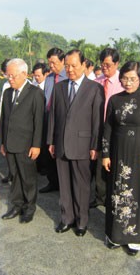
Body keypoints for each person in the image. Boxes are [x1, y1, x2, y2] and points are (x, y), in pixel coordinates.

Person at [102, 61, 140, 256]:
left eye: (132, 79)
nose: (128, 83)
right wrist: (105, 154)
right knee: (117, 193)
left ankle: (135, 240)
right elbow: (108, 128)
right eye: (125, 78)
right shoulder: (115, 100)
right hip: (118, 154)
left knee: (138, 194)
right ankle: (115, 237)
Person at [47, 49, 104, 236]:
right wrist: (51, 141)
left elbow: (97, 121)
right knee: (64, 185)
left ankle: (81, 221)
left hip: (83, 144)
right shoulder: (59, 87)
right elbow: (53, 117)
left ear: (84, 65)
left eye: (74, 65)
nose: (70, 69)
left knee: (81, 185)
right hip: (61, 143)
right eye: (68, 65)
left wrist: (95, 145)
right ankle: (67, 218)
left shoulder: (94, 88)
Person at [0, 58, 44, 223]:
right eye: (8, 76)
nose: (10, 79)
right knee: (14, 176)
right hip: (10, 143)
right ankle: (16, 205)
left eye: (13, 76)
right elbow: (4, 118)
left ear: (24, 74)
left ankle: (29, 207)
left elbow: (39, 121)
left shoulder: (35, 93)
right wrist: (3, 142)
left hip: (26, 144)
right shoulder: (7, 92)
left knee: (28, 178)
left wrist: (36, 145)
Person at [91, 48, 125, 208]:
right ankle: (100, 196)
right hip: (99, 128)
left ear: (117, 63)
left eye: (108, 64)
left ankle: (115, 196)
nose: (104, 67)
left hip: (117, 129)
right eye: (102, 64)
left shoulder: (123, 82)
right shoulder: (96, 83)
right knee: (99, 165)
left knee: (116, 163)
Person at [40, 48, 67, 193]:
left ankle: (63, 184)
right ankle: (52, 182)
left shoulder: (68, 77)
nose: (51, 66)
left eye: (54, 62)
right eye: (49, 63)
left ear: (62, 61)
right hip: (48, 118)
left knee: (61, 153)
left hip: (61, 120)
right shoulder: (49, 78)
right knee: (48, 152)